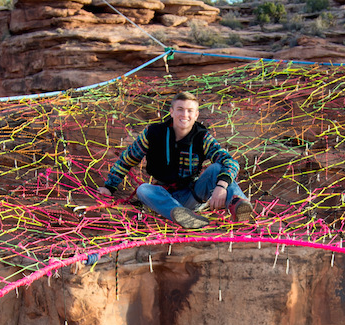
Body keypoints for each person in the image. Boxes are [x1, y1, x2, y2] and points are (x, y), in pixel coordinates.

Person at [98, 91, 256, 229]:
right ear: (172, 112)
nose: (184, 115)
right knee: (143, 190)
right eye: (180, 109)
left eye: (190, 111)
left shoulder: (201, 137)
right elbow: (128, 159)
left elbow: (229, 162)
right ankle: (182, 216)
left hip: (193, 194)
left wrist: (221, 186)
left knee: (216, 168)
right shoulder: (153, 134)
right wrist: (109, 187)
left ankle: (238, 204)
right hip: (164, 196)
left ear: (196, 115)